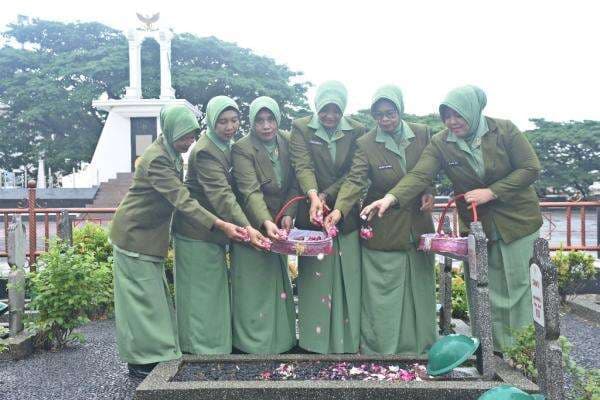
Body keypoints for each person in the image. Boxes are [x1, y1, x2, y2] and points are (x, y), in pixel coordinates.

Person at [362, 85, 542, 351]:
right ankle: (490, 349)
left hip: (518, 221)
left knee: (519, 287)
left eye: (458, 115)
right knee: (482, 286)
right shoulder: (441, 142)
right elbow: (420, 175)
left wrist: (492, 192)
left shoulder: (505, 130)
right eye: (446, 116)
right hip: (479, 225)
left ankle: (524, 350)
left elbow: (530, 168)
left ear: (473, 110)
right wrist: (391, 198)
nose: (452, 122)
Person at [110, 105, 246, 377]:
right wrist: (220, 224)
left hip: (148, 237)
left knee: (153, 300)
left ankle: (155, 355)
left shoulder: (170, 152)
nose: (189, 142)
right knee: (140, 303)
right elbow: (182, 201)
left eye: (192, 135)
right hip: (134, 235)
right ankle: (142, 361)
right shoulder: (157, 159)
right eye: (184, 136)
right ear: (170, 131)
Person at [324, 85, 437, 356]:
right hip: (384, 225)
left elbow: (428, 170)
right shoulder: (367, 143)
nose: (385, 120)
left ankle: (422, 347)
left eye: (390, 113)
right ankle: (383, 348)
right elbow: (354, 180)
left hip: (418, 225)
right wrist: (339, 210)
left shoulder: (422, 133)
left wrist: (430, 190)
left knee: (419, 289)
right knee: (383, 292)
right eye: (379, 115)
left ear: (400, 109)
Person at [172, 96, 267, 356]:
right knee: (199, 295)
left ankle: (214, 348)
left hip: (216, 231)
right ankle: (196, 351)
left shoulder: (227, 144)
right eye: (223, 121)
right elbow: (222, 197)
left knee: (213, 293)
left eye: (234, 120)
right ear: (212, 122)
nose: (229, 126)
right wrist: (249, 228)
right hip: (196, 232)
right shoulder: (204, 151)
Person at [290, 81, 366, 353]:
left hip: (345, 213)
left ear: (343, 108)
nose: (330, 116)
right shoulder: (301, 128)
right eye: (325, 110)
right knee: (316, 277)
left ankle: (347, 341)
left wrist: (329, 198)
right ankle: (314, 340)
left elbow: (355, 174)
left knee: (348, 275)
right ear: (316, 107)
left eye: (335, 110)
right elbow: (302, 165)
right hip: (312, 216)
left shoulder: (358, 130)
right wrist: (313, 197)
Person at [229, 96, 298, 353]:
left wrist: (289, 212)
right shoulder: (242, 148)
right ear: (252, 122)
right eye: (260, 121)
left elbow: (295, 181)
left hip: (279, 223)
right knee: (253, 284)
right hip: (252, 223)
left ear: (278, 120)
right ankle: (251, 344)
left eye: (270, 120)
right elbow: (249, 190)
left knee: (276, 282)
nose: (266, 126)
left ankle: (281, 341)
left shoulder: (289, 140)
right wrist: (265, 222)